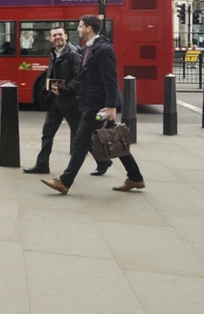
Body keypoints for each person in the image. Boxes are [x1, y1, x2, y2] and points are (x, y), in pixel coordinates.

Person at [42, 14, 145, 195]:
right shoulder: (88, 48)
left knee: (81, 141)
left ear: (89, 28)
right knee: (114, 139)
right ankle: (135, 177)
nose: (78, 29)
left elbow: (110, 78)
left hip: (98, 105)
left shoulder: (103, 49)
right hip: (91, 102)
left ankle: (65, 182)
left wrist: (111, 106)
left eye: (80, 26)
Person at [23, 27, 81, 174]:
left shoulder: (73, 54)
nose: (58, 37)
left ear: (66, 36)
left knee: (81, 134)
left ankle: (103, 160)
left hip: (69, 102)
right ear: (50, 39)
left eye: (60, 35)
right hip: (54, 101)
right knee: (47, 134)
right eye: (54, 35)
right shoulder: (54, 53)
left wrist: (64, 89)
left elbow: (79, 79)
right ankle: (42, 165)